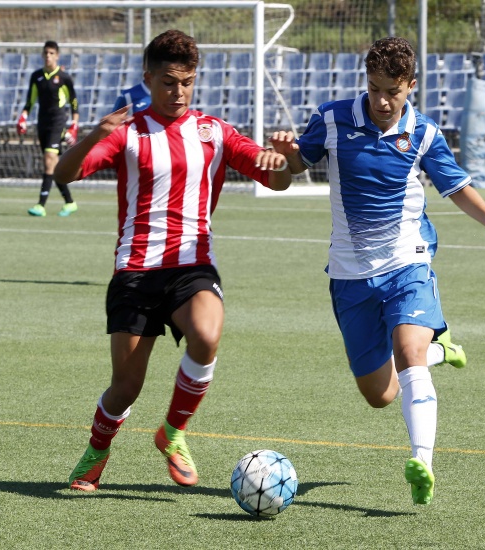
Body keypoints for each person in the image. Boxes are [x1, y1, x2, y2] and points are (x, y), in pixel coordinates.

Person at [270, 36, 485, 506]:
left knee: (407, 351)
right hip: (349, 274)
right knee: (379, 395)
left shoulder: (423, 133)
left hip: (408, 260)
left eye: (394, 91)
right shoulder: (333, 118)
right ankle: (440, 351)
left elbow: (455, 186)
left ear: (411, 86)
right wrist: (284, 156)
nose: (383, 100)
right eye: (375, 88)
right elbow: (288, 174)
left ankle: (421, 461)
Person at [54, 29, 292, 492]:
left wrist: (280, 162)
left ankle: (173, 432)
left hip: (192, 265)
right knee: (125, 388)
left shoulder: (214, 131)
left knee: (206, 335)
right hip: (136, 271)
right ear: (148, 78)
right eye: (167, 81)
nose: (177, 91)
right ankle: (98, 449)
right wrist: (91, 136)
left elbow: (275, 178)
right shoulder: (127, 134)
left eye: (186, 82)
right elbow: (65, 174)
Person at [17, 40, 80, 217]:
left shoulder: (64, 78)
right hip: (42, 123)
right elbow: (30, 101)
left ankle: (41, 205)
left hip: (57, 123)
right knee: (54, 165)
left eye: (51, 53)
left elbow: (74, 103)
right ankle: (69, 202)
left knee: (48, 159)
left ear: (57, 56)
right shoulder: (36, 76)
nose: (48, 56)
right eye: (45, 53)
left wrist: (73, 125)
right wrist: (23, 117)